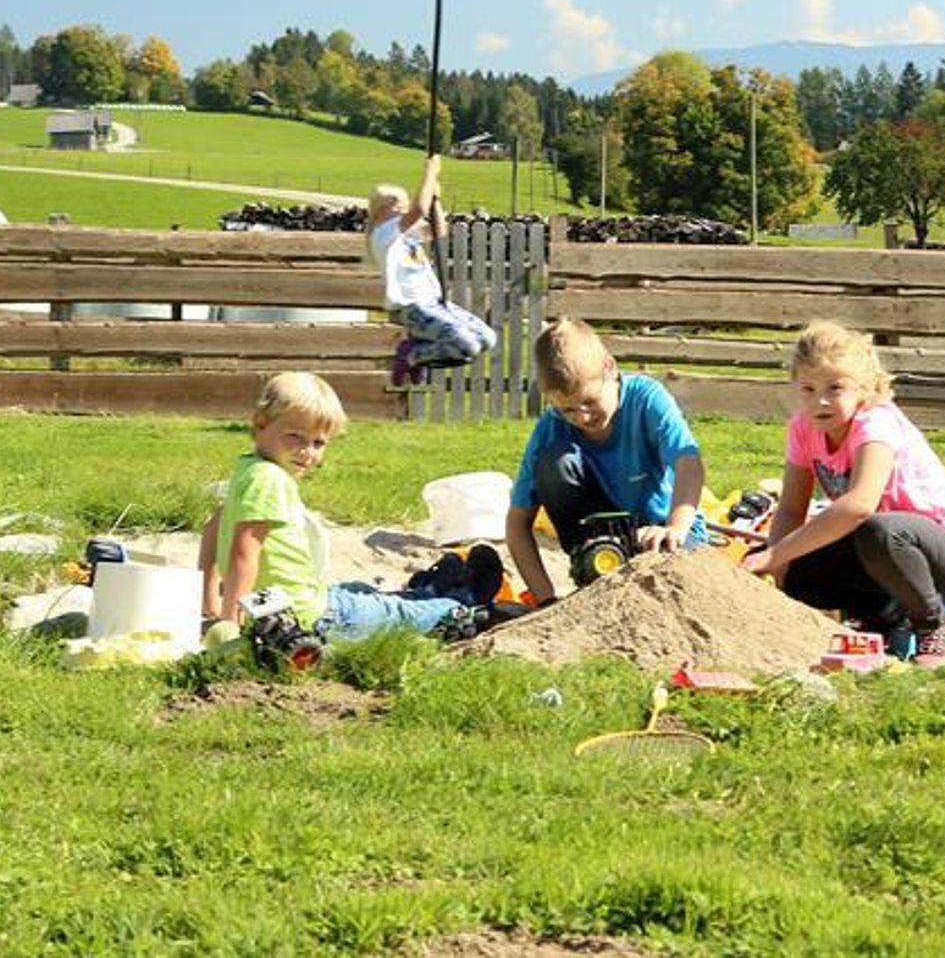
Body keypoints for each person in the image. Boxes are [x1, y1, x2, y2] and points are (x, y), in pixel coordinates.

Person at [742, 321, 945, 660]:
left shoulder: (876, 422)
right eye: (808, 389)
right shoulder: (802, 427)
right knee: (792, 566)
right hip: (877, 545)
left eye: (835, 388)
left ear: (864, 388)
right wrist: (776, 563)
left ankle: (935, 626)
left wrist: (776, 554)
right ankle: (885, 621)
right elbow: (791, 508)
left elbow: (859, 505)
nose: (821, 401)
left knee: (878, 532)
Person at [198, 372, 495, 640]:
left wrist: (210, 599)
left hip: (290, 603)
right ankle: (461, 605)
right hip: (304, 619)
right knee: (392, 613)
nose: (307, 452)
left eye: (318, 443)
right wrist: (231, 621)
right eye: (295, 437)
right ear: (261, 424)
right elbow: (244, 551)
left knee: (356, 592)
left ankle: (427, 591)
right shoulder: (270, 480)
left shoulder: (248, 469)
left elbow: (214, 527)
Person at [504, 317, 707, 604]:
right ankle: (589, 568)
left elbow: (688, 461)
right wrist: (546, 599)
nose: (582, 417)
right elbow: (517, 524)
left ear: (610, 368)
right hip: (604, 545)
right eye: (567, 409)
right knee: (556, 462)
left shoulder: (646, 399)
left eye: (589, 401)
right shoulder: (550, 427)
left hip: (664, 535)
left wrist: (675, 527)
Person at [369, 155, 497, 386]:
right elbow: (419, 209)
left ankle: (421, 351)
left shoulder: (406, 234)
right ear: (379, 211)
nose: (402, 207)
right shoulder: (383, 233)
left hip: (435, 302)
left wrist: (436, 200)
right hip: (413, 307)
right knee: (467, 344)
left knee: (487, 338)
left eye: (403, 202)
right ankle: (411, 356)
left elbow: (439, 230)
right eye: (394, 202)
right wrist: (431, 171)